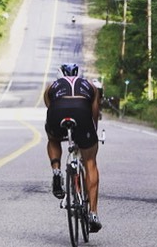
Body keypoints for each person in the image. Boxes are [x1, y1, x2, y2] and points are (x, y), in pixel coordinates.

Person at [44, 63, 102, 233]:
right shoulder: (90, 86)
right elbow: (94, 114)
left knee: (53, 138)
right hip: (82, 114)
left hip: (57, 113)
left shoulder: (51, 87)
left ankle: (56, 170)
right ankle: (93, 213)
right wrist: (92, 135)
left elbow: (50, 108)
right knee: (90, 161)